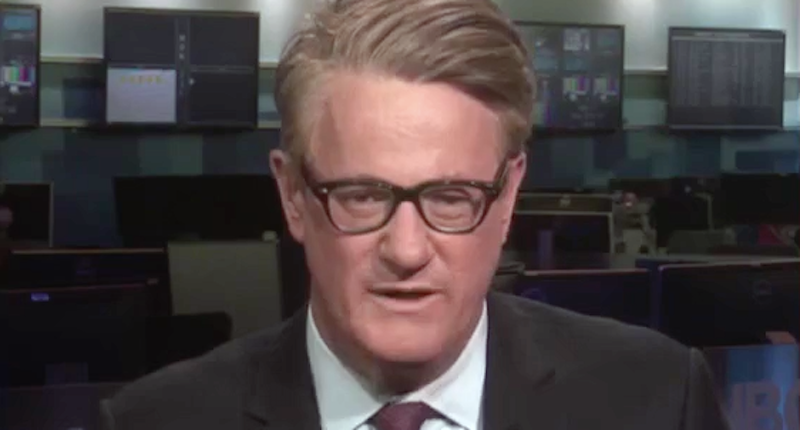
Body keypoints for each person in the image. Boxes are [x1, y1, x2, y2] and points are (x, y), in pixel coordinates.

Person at [102, 1, 730, 429]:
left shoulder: (656, 398)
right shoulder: (154, 421)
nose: (406, 250)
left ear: (508, 198)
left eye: (452, 197)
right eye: (362, 195)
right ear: (293, 195)